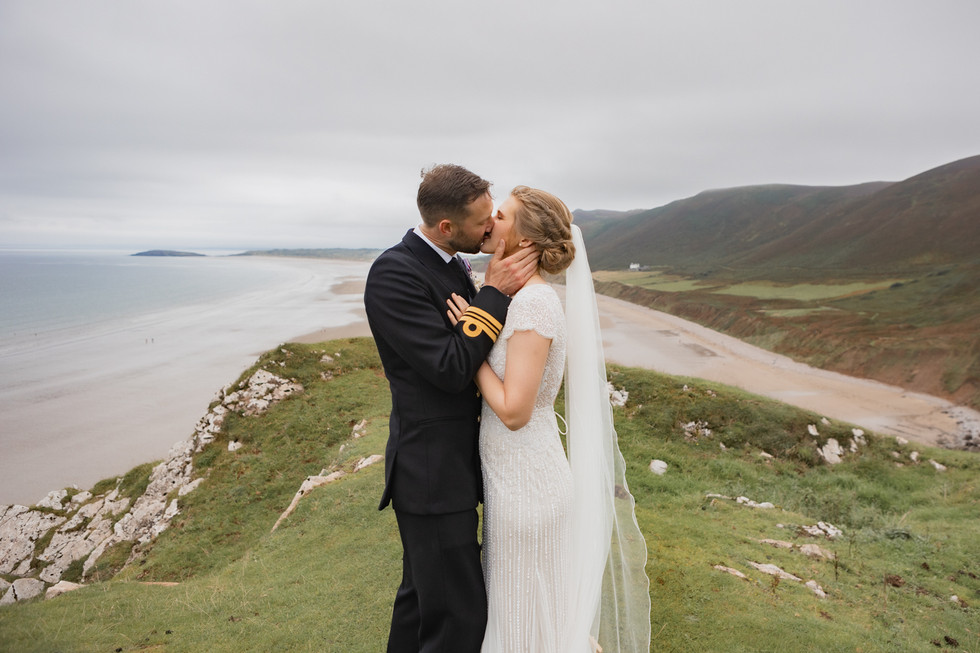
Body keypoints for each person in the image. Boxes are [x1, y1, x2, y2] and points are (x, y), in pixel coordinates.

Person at [446, 186, 651, 653]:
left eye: (501, 216)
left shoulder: (536, 304)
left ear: (524, 239)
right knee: (528, 611)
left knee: (522, 617)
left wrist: (467, 343)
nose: (489, 221)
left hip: (527, 484)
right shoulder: (517, 298)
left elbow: (515, 410)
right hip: (514, 478)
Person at [364, 164, 539, 653]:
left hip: (457, 467)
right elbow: (447, 368)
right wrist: (494, 294)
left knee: (423, 603)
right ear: (447, 228)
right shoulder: (394, 273)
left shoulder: (451, 264)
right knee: (456, 619)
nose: (490, 226)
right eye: (484, 219)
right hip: (431, 472)